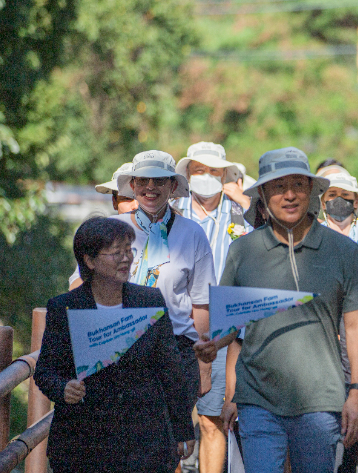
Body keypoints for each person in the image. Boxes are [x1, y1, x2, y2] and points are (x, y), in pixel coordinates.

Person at [217, 147, 358, 473]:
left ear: (312, 191)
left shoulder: (344, 251)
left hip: (320, 403)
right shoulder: (242, 251)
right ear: (262, 194)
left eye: (298, 185)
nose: (289, 195)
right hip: (258, 401)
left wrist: (356, 394)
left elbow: (357, 326)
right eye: (278, 186)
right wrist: (225, 386)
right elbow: (228, 330)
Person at [34, 217, 196, 472]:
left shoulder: (150, 301)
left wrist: (182, 429)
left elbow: (171, 370)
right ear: (89, 261)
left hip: (143, 442)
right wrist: (63, 388)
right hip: (82, 444)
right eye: (115, 252)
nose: (126, 258)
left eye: (128, 250)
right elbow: (45, 371)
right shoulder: (65, 307)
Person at [115, 150, 219, 410]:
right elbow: (83, 285)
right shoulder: (111, 229)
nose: (150, 187)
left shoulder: (192, 234)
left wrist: (204, 367)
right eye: (143, 180)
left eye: (159, 180)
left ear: (173, 186)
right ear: (132, 185)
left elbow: (202, 302)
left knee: (170, 439)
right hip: (118, 344)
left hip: (174, 349)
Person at [175, 142, 253, 473]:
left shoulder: (242, 216)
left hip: (224, 332)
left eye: (213, 171)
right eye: (198, 170)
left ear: (226, 176)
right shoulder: (172, 211)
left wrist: (244, 199)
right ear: (187, 174)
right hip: (176, 327)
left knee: (212, 420)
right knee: (167, 421)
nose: (205, 177)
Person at [69, 162, 138, 290]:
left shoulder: (170, 236)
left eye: (142, 197)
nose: (135, 205)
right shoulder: (103, 237)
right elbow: (76, 285)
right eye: (128, 198)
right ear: (114, 202)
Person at [321, 172, 358, 241]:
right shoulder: (314, 235)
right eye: (332, 195)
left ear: (356, 202)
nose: (339, 199)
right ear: (323, 204)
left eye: (345, 194)